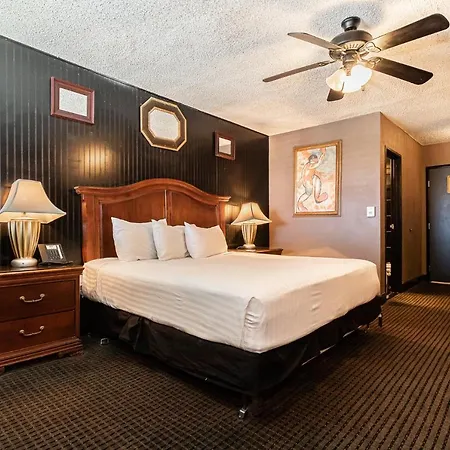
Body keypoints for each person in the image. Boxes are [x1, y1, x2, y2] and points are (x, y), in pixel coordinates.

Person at [297, 147, 328, 212]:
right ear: (313, 159)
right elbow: (319, 163)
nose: (317, 160)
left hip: (308, 180)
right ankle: (300, 203)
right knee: (308, 193)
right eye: (316, 159)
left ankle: (317, 198)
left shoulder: (307, 165)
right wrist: (323, 154)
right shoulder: (311, 165)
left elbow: (303, 174)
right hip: (308, 182)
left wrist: (301, 181)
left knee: (317, 179)